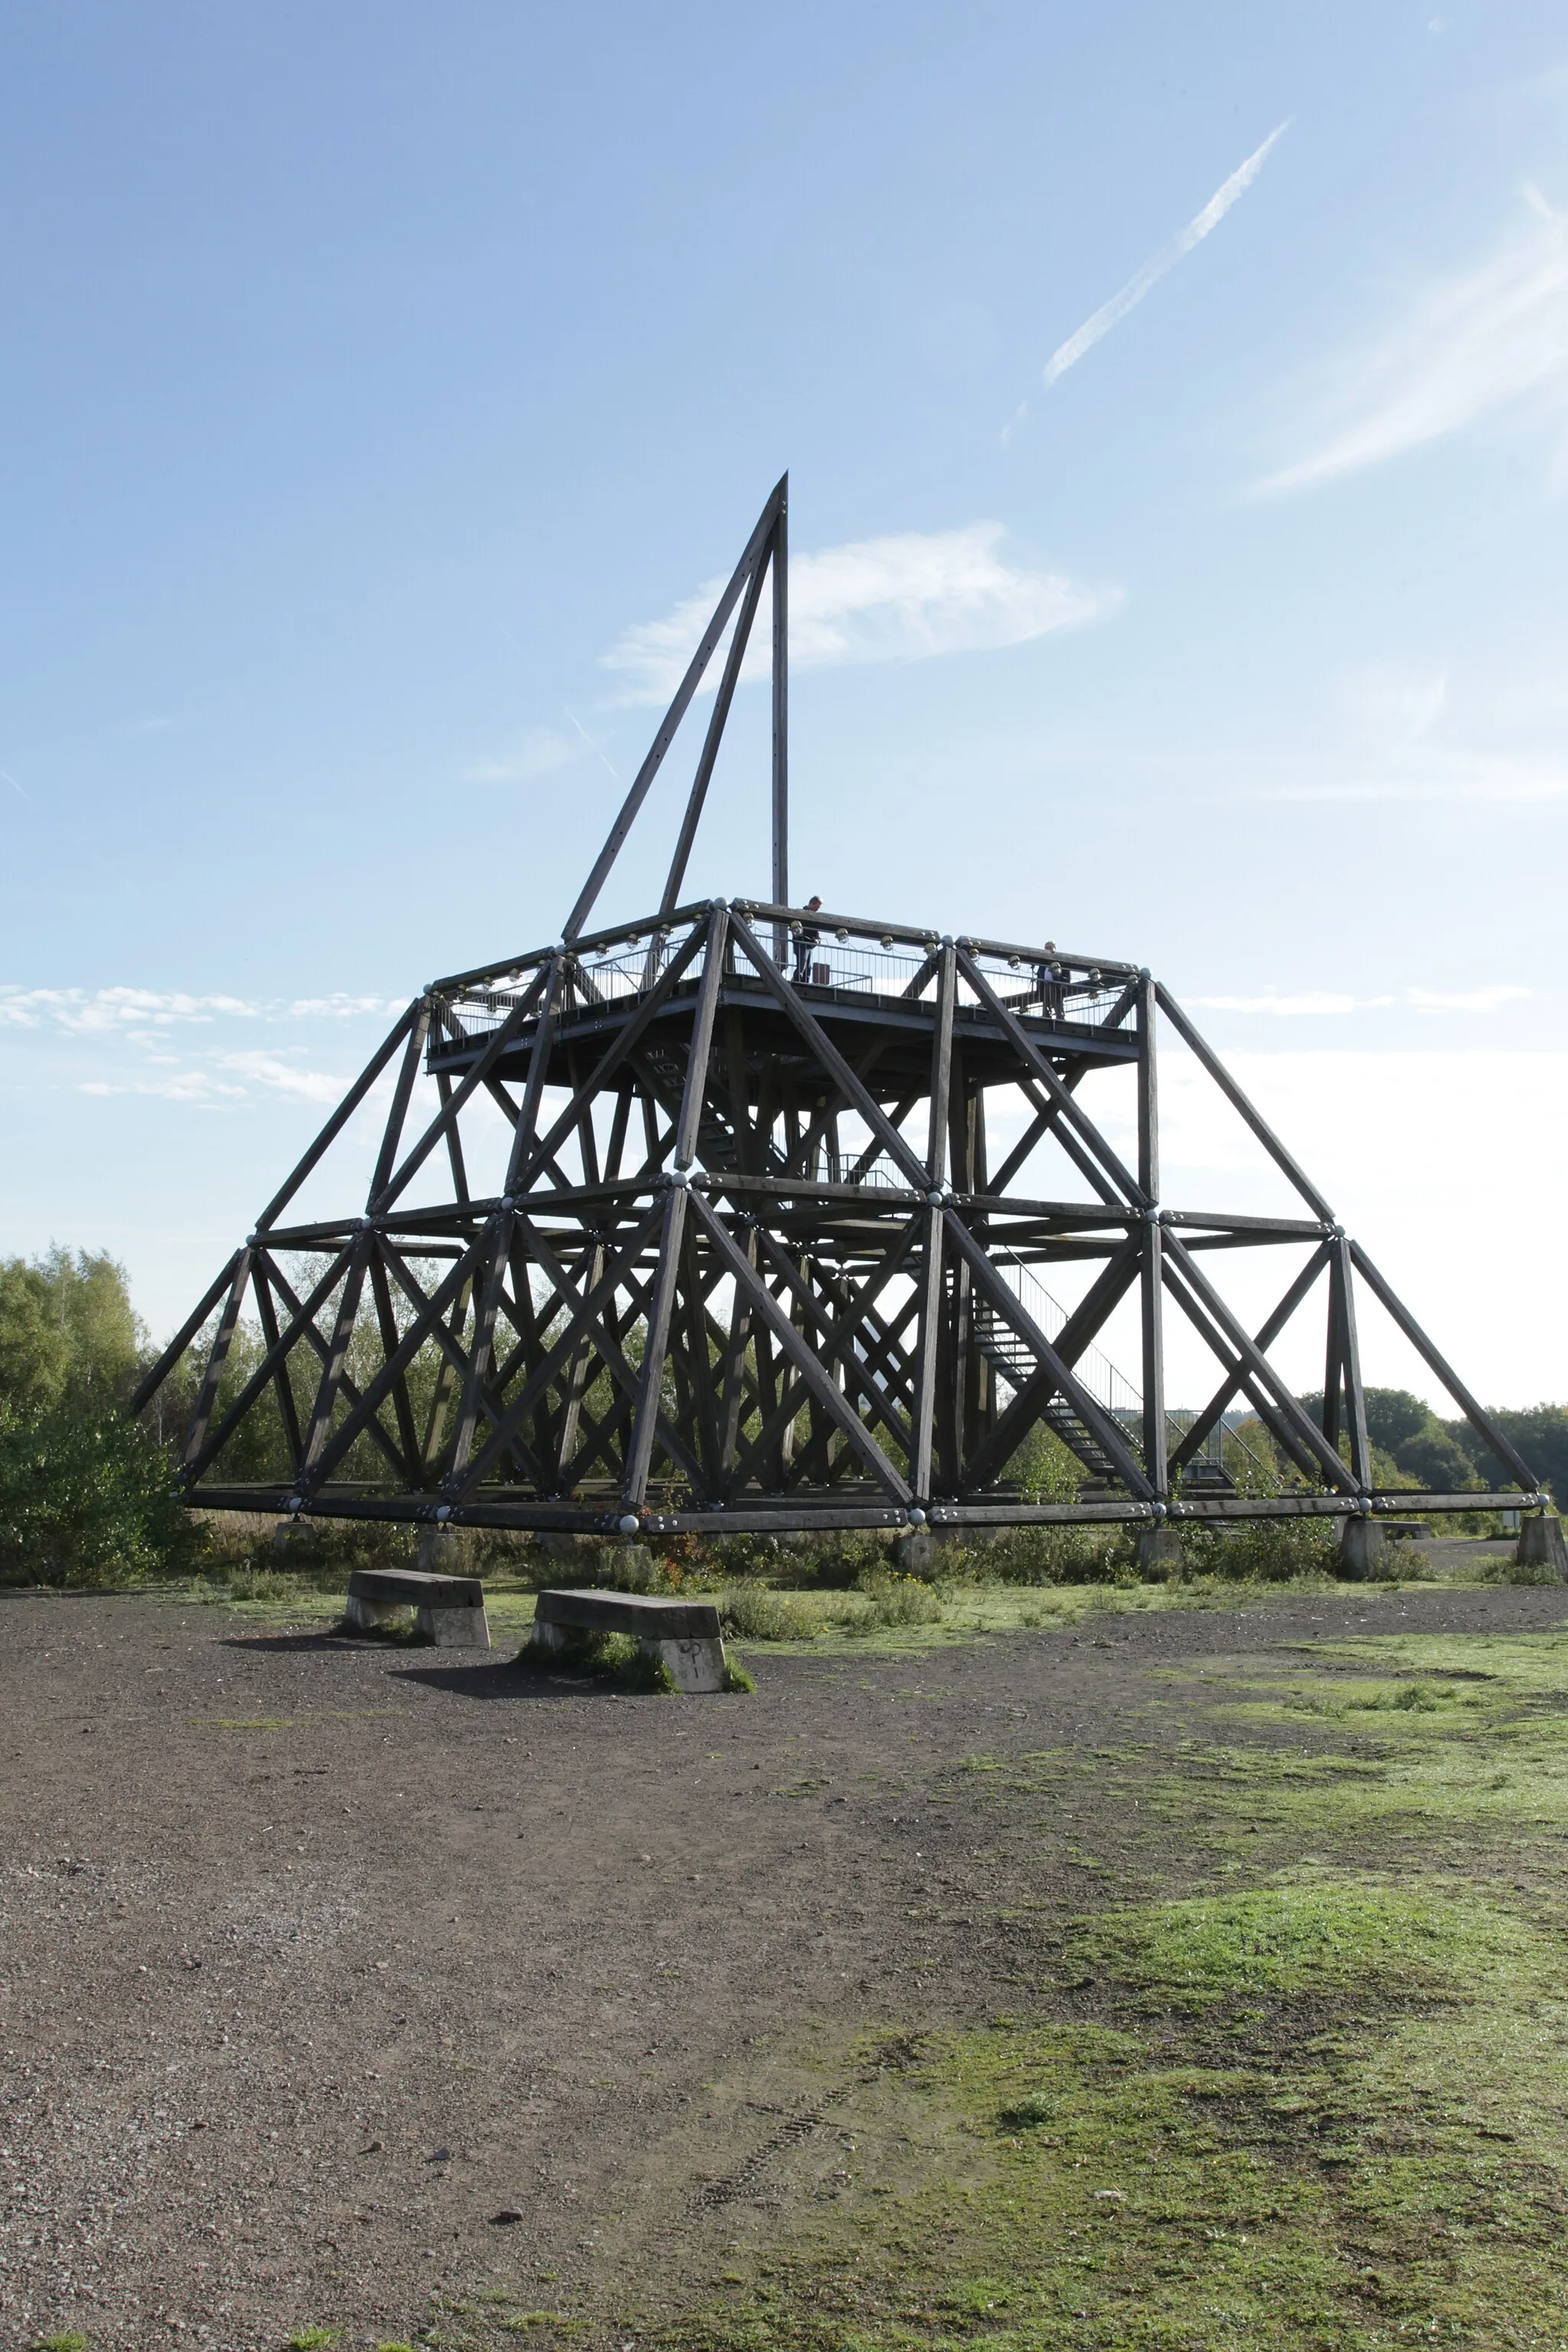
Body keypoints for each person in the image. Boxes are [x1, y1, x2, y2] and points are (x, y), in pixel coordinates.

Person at [792, 896, 824, 985]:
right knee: (802, 967)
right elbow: (798, 934)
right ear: (812, 904)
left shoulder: (814, 917)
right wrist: (814, 941)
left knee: (807, 969)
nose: (817, 910)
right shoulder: (800, 914)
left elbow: (816, 933)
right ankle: (796, 983)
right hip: (801, 944)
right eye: (817, 907)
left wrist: (818, 939)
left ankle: (804, 984)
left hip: (809, 945)